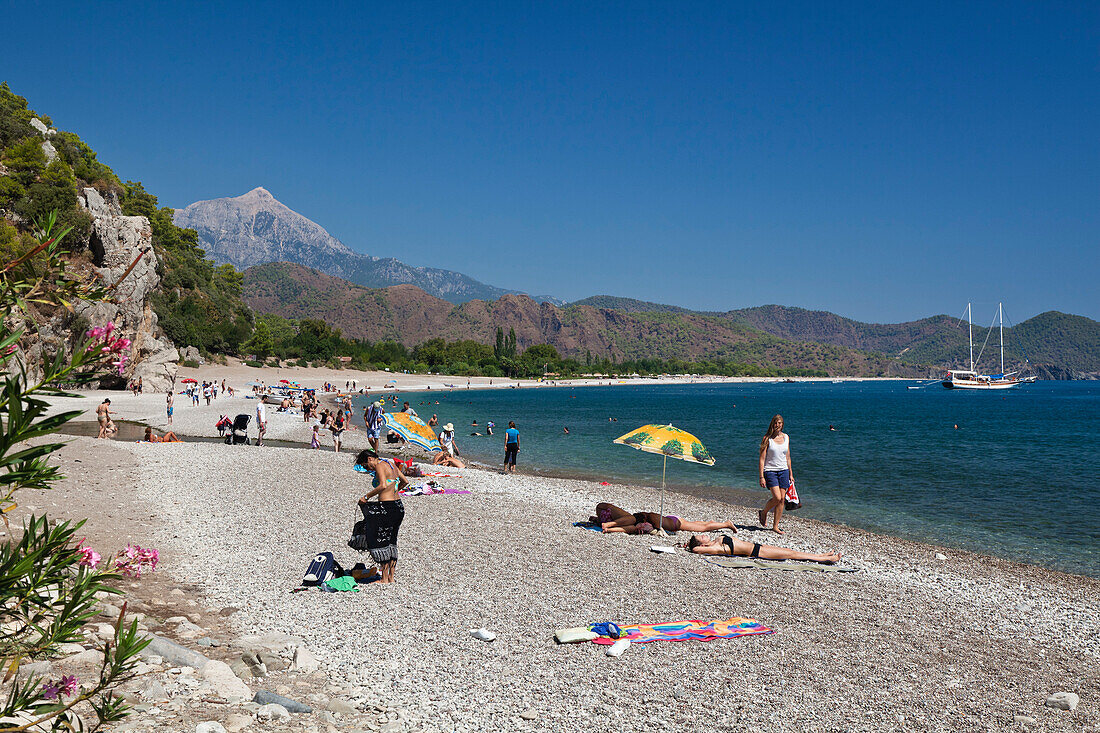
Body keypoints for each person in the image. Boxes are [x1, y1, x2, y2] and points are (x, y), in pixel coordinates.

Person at [354, 449, 408, 584]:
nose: (368, 469)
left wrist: (366, 497)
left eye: (366, 466)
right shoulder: (390, 464)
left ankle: (384, 579)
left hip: (387, 507)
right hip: (398, 506)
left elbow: (383, 485)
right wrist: (394, 491)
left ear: (370, 459)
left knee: (381, 540)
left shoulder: (379, 465)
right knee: (392, 541)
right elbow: (405, 481)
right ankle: (391, 577)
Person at [591, 502, 736, 534]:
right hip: (670, 521)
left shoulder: (636, 520)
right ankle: (719, 523)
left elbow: (628, 528)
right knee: (699, 525)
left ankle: (725, 524)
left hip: (672, 522)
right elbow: (628, 529)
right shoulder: (638, 521)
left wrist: (608, 526)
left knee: (702, 527)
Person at [685, 534, 840, 563]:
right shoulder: (715, 548)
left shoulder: (718, 540)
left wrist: (693, 542)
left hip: (758, 547)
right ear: (703, 545)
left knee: (791, 551)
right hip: (757, 552)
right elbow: (695, 550)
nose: (704, 535)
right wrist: (692, 545)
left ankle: (821, 555)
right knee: (791, 554)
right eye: (702, 538)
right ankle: (826, 559)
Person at [757, 414, 793, 534]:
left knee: (782, 499)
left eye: (780, 423)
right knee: (777, 497)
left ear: (782, 424)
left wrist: (791, 474)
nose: (777, 425)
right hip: (770, 471)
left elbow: (788, 457)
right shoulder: (767, 439)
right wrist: (761, 476)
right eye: (775, 423)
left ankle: (775, 526)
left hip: (784, 471)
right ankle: (764, 512)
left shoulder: (786, 437)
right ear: (772, 424)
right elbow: (762, 459)